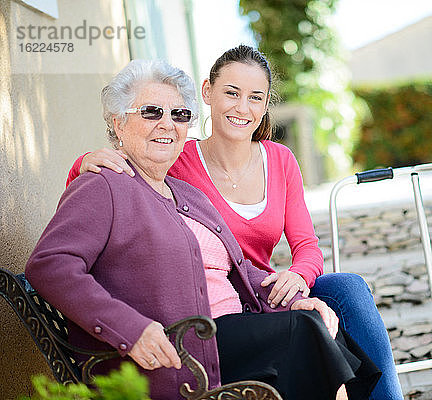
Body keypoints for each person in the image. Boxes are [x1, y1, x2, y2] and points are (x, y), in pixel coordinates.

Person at [25, 59, 380, 400]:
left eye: (179, 114)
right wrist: (131, 330)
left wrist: (296, 299)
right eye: (151, 112)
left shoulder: (186, 193)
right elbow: (49, 265)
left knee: (322, 325)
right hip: (180, 351)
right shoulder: (106, 185)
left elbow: (241, 269)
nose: (167, 124)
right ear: (118, 123)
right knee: (304, 334)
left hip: (230, 332)